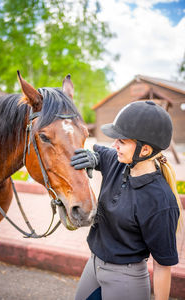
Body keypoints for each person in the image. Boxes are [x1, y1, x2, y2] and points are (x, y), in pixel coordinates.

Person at [70, 100, 181, 300]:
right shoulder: (118, 162)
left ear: (145, 150)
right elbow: (101, 154)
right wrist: (93, 158)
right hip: (93, 266)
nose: (114, 145)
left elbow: (163, 265)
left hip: (126, 278)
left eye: (121, 141)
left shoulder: (161, 201)